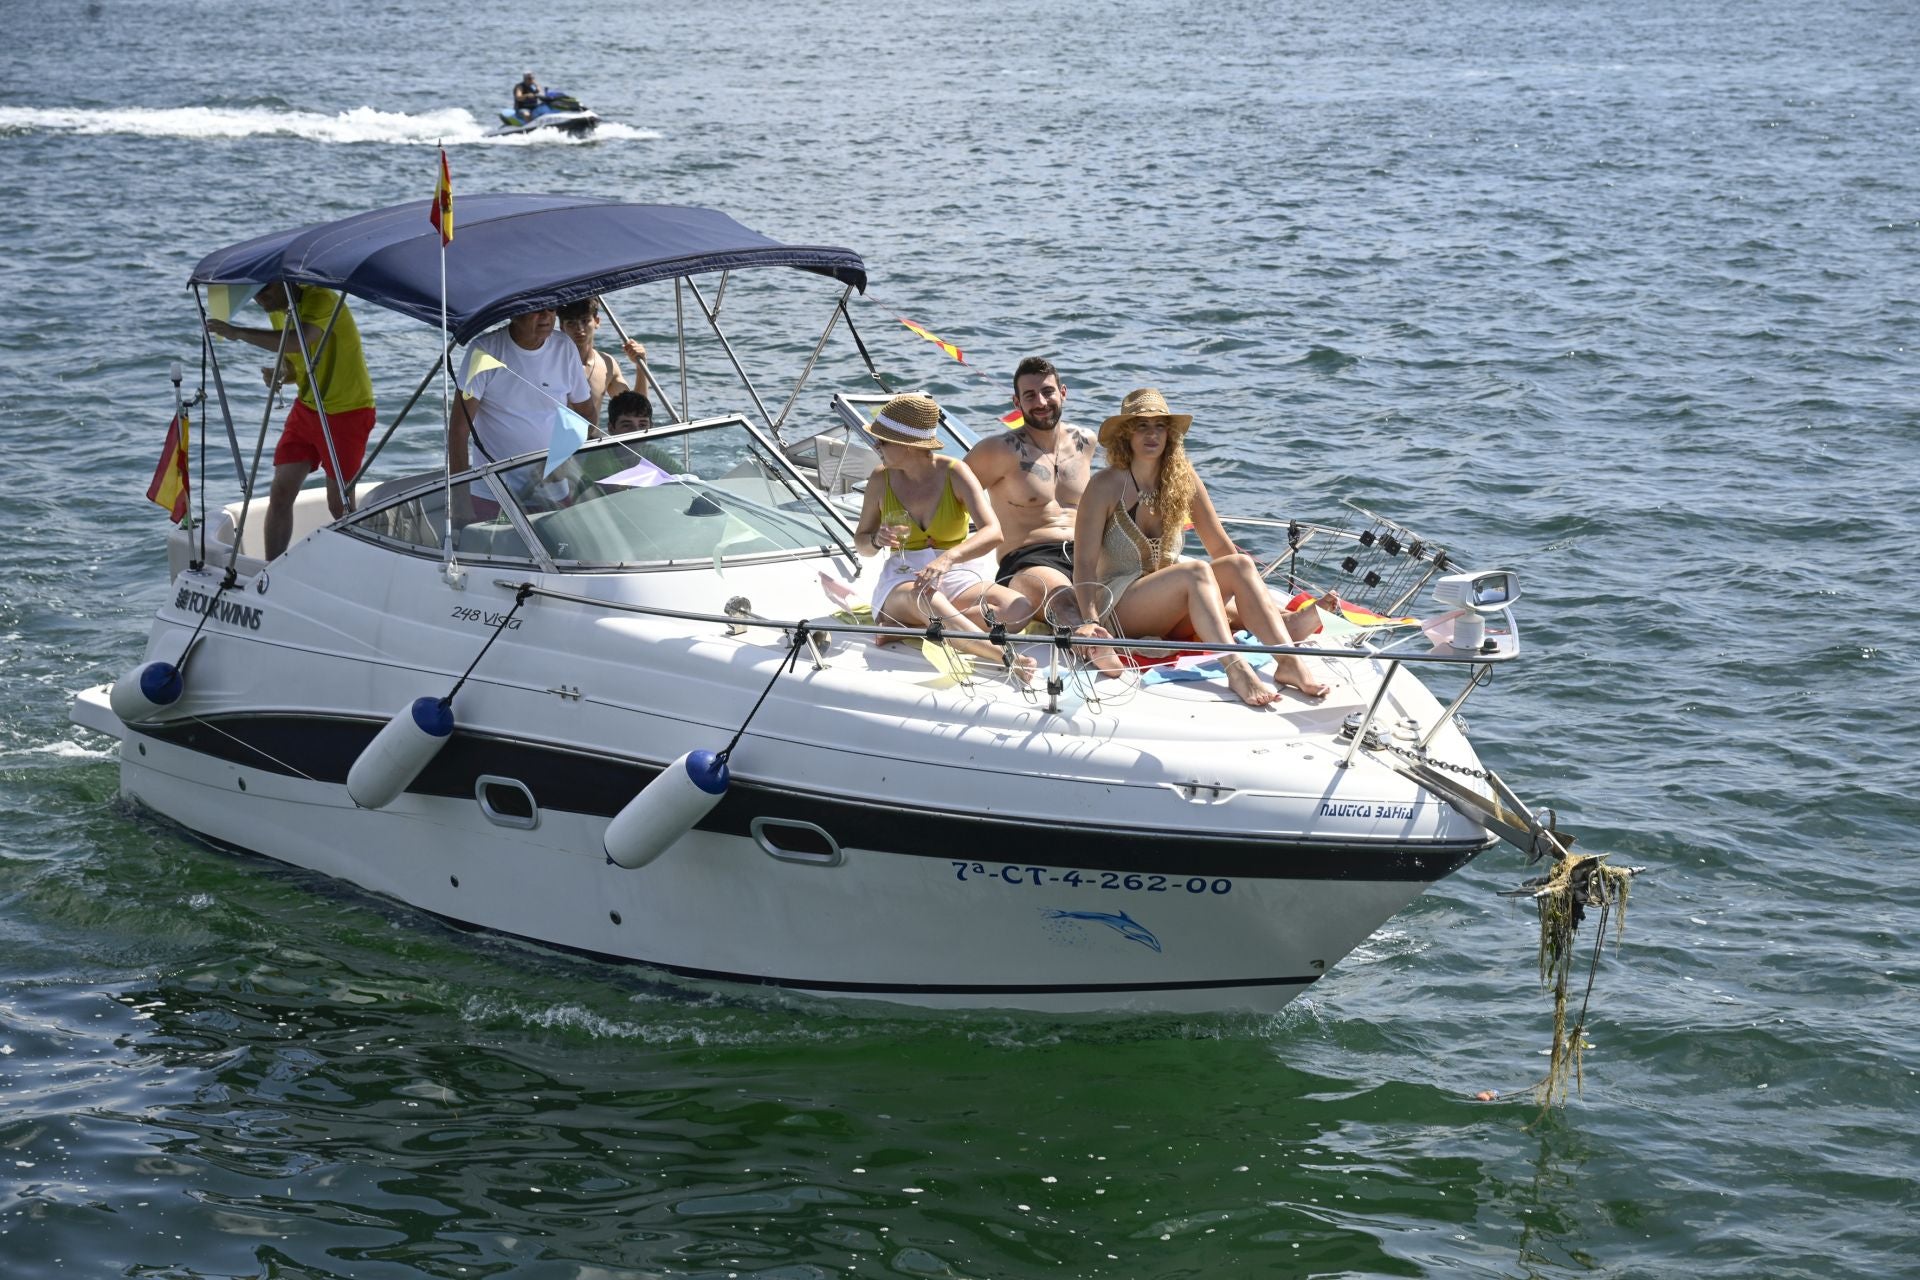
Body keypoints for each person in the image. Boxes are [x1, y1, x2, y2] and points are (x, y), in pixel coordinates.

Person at [1071, 388, 1330, 708]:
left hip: (1170, 603)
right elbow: (1083, 564)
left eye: (1160, 426)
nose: (1152, 434)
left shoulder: (1181, 478)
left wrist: (1263, 599)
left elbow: (1221, 546)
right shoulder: (1105, 485)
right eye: (1141, 426)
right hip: (1120, 605)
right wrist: (1090, 620)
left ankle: (1289, 662)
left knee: (1239, 564)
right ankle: (1237, 669)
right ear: (1126, 434)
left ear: (1170, 434)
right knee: (1194, 571)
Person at [853, 394, 1033, 680]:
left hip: (954, 574)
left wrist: (948, 558)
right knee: (928, 600)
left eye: (883, 440)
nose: (876, 445)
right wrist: (876, 540)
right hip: (903, 579)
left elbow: (993, 532)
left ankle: (912, 628)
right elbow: (862, 545)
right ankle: (1003, 655)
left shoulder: (954, 472)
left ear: (909, 445)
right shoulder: (880, 478)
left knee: (1019, 608)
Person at [961, 356, 1122, 673]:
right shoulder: (998, 450)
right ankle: (1089, 640)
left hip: (1087, 551)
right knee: (1060, 593)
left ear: (1063, 392)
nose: (1041, 402)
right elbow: (951, 495)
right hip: (1030, 557)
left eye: (1047, 391)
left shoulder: (1086, 441)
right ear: (1016, 401)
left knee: (1137, 586)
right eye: (1030, 395)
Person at [205, 281, 376, 560]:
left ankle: (367, 560)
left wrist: (238, 333)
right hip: (308, 408)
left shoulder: (321, 299)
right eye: (255, 294)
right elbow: (299, 361)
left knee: (339, 504)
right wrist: (282, 374)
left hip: (348, 411)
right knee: (281, 491)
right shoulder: (278, 310)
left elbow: (300, 339)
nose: (260, 299)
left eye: (266, 290)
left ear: (287, 284)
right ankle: (272, 569)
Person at [449, 308, 593, 506]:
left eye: (551, 308)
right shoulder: (484, 350)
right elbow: (459, 430)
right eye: (536, 310)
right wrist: (460, 502)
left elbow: (586, 412)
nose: (546, 315)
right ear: (514, 314)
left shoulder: (564, 346)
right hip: (493, 491)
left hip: (554, 488)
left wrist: (565, 461)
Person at [557, 297, 648, 428]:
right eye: (571, 323)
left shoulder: (606, 364)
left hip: (593, 444)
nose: (579, 328)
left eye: (585, 321)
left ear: (596, 322)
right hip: (553, 444)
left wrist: (641, 366)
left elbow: (636, 410)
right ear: (562, 327)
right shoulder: (553, 363)